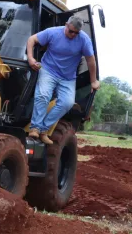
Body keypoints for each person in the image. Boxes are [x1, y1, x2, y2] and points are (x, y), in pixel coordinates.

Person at [26, 15, 99, 144]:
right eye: (71, 31)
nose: (73, 35)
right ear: (66, 25)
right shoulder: (53, 32)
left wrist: (93, 81)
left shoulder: (84, 40)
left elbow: (90, 60)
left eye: (76, 33)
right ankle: (35, 128)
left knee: (67, 103)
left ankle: (43, 129)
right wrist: (31, 59)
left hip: (68, 77)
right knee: (43, 95)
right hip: (48, 70)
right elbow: (32, 39)